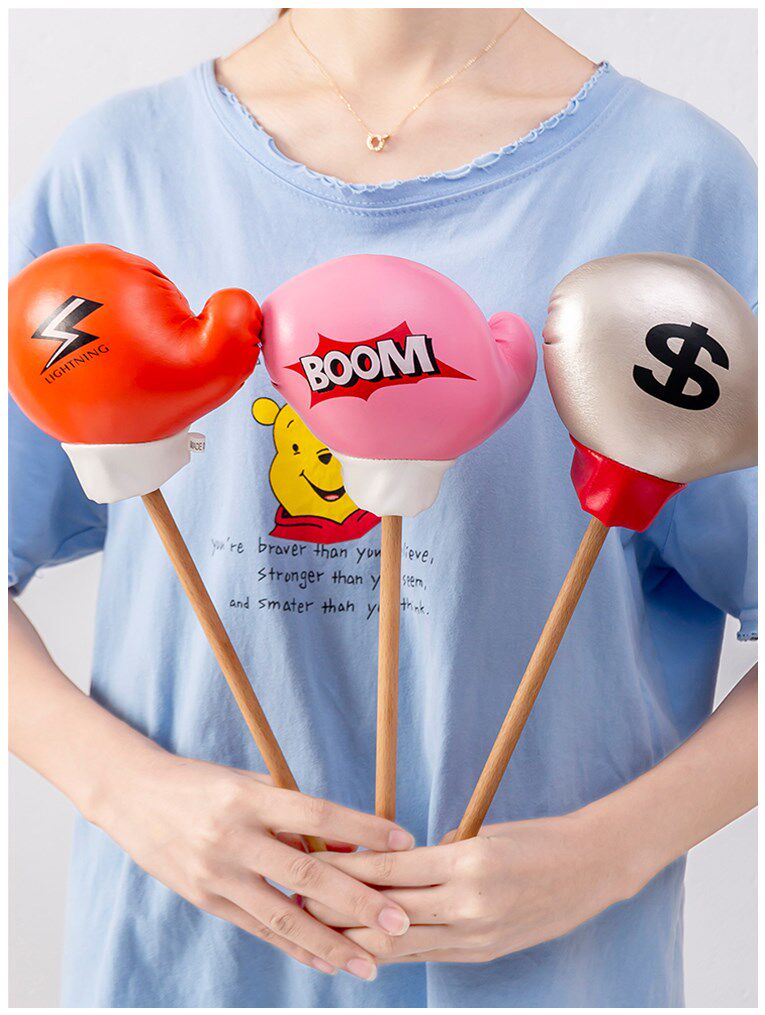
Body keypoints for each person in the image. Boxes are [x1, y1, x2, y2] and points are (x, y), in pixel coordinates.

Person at [9, 8, 756, 1008]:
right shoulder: (117, 163)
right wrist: (128, 793)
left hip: (551, 977)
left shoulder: (676, 177)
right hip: (179, 967)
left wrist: (606, 855)